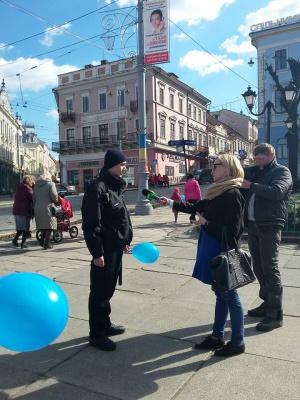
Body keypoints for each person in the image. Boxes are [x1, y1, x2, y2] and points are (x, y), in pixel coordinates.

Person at [159, 154, 245, 357]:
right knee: (221, 293)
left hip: (223, 251)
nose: (212, 170)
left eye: (215, 166)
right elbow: (197, 206)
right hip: (213, 247)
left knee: (230, 296)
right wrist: (171, 204)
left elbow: (233, 231)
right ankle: (217, 336)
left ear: (227, 168)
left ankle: (238, 342)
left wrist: (205, 223)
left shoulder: (232, 193)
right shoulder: (218, 191)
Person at [81, 148, 133, 352]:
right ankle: (97, 334)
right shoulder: (98, 188)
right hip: (104, 250)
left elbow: (121, 217)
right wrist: (97, 253)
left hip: (115, 247)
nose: (125, 168)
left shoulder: (114, 187)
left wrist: (125, 239)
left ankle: (105, 324)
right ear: (111, 165)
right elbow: (91, 224)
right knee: (100, 292)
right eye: (122, 165)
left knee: (109, 288)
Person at [242, 143, 292, 332]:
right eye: (255, 159)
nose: (257, 162)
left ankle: (275, 314)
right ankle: (266, 303)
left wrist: (252, 186)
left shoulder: (282, 171)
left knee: (270, 267)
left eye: (260, 158)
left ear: (271, 156)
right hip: (254, 224)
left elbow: (277, 192)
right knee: (258, 266)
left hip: (270, 224)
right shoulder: (258, 171)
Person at [33, 171, 58, 250]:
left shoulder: (36, 185)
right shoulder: (51, 184)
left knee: (42, 226)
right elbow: (54, 196)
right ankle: (46, 244)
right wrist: (55, 200)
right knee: (49, 227)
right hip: (48, 207)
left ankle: (41, 241)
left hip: (37, 207)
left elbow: (33, 198)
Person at [12, 175, 35, 249]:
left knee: (20, 227)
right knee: (26, 227)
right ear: (29, 181)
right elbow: (33, 199)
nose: (33, 183)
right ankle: (23, 243)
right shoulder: (28, 189)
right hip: (25, 210)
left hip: (17, 210)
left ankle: (15, 240)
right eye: (32, 181)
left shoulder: (19, 188)